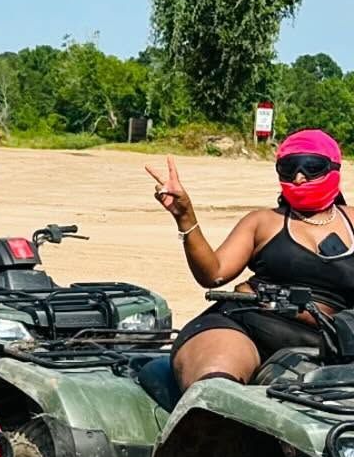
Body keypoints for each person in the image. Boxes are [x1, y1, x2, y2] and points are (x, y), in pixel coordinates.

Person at [151, 129, 354, 390]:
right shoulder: (262, 221)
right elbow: (213, 274)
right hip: (246, 324)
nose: (300, 176)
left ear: (334, 169)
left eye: (312, 167)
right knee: (216, 390)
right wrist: (185, 216)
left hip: (330, 339)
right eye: (288, 168)